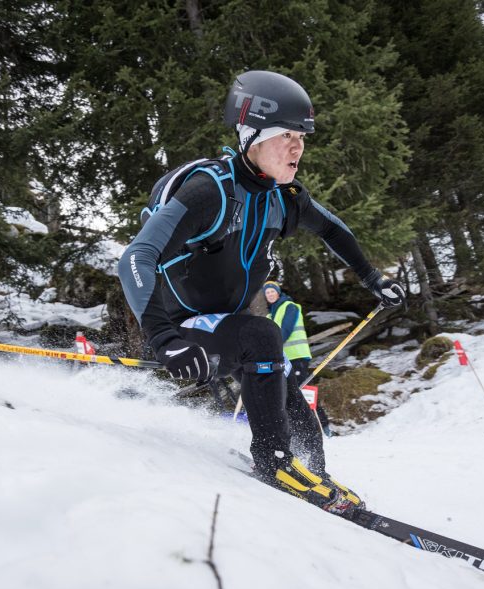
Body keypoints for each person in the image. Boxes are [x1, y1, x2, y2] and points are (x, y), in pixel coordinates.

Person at [118, 70, 406, 517]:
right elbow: (136, 258)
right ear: (251, 136)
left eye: (302, 137)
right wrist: (164, 339)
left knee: (294, 402)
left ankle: (313, 477)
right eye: (286, 136)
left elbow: (331, 228)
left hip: (227, 326)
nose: (297, 147)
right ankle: (274, 464)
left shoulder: (282, 197)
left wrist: (373, 279)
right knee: (263, 337)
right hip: (184, 328)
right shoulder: (209, 191)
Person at [262, 280, 333, 437]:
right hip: (283, 360)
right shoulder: (270, 314)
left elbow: (285, 331)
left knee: (302, 391)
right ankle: (299, 430)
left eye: (272, 291)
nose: (270, 294)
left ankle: (324, 428)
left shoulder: (290, 307)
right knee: (289, 394)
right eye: (267, 293)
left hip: (297, 357)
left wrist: (269, 347)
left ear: (278, 292)